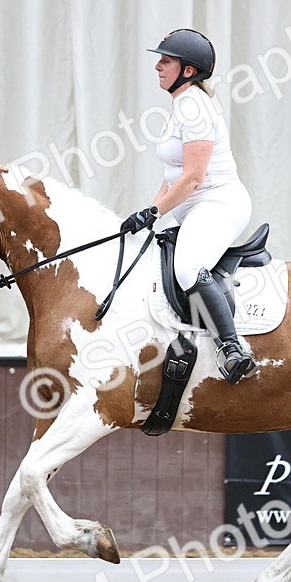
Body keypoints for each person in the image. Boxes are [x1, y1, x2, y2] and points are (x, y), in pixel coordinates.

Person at [120, 28, 256, 384]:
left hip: (218, 202)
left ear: (189, 70)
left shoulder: (194, 105)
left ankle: (232, 347)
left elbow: (193, 178)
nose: (157, 66)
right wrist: (150, 213)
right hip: (194, 205)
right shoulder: (180, 104)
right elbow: (173, 173)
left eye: (166, 60)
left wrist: (155, 213)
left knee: (188, 268)